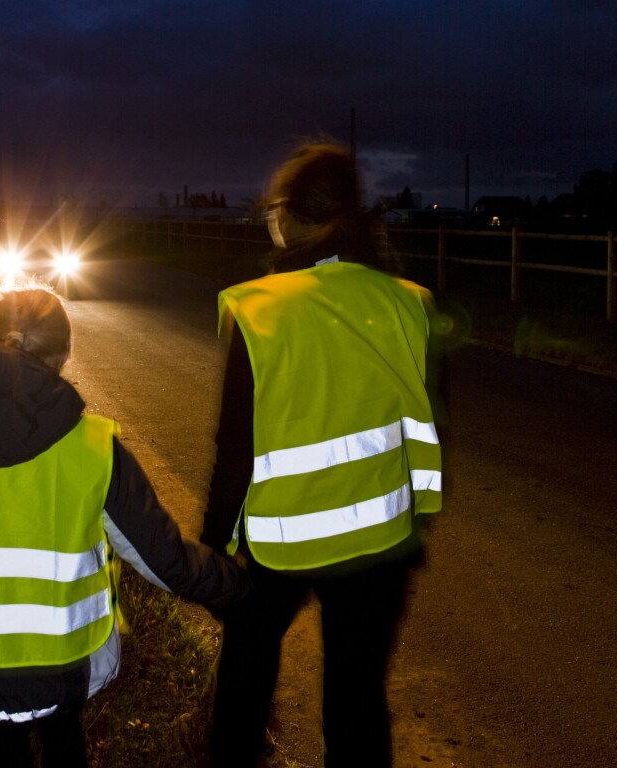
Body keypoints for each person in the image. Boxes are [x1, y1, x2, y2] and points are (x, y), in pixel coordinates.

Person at [0, 287, 250, 768]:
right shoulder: (93, 448)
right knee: (64, 741)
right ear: (65, 354)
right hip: (67, 669)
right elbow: (164, 559)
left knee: (4, 748)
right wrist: (238, 583)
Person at [201, 142, 445, 768]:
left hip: (281, 544)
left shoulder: (260, 308)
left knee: (246, 684)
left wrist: (212, 551)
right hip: (381, 544)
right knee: (357, 699)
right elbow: (423, 423)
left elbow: (236, 452)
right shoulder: (408, 301)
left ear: (288, 215)